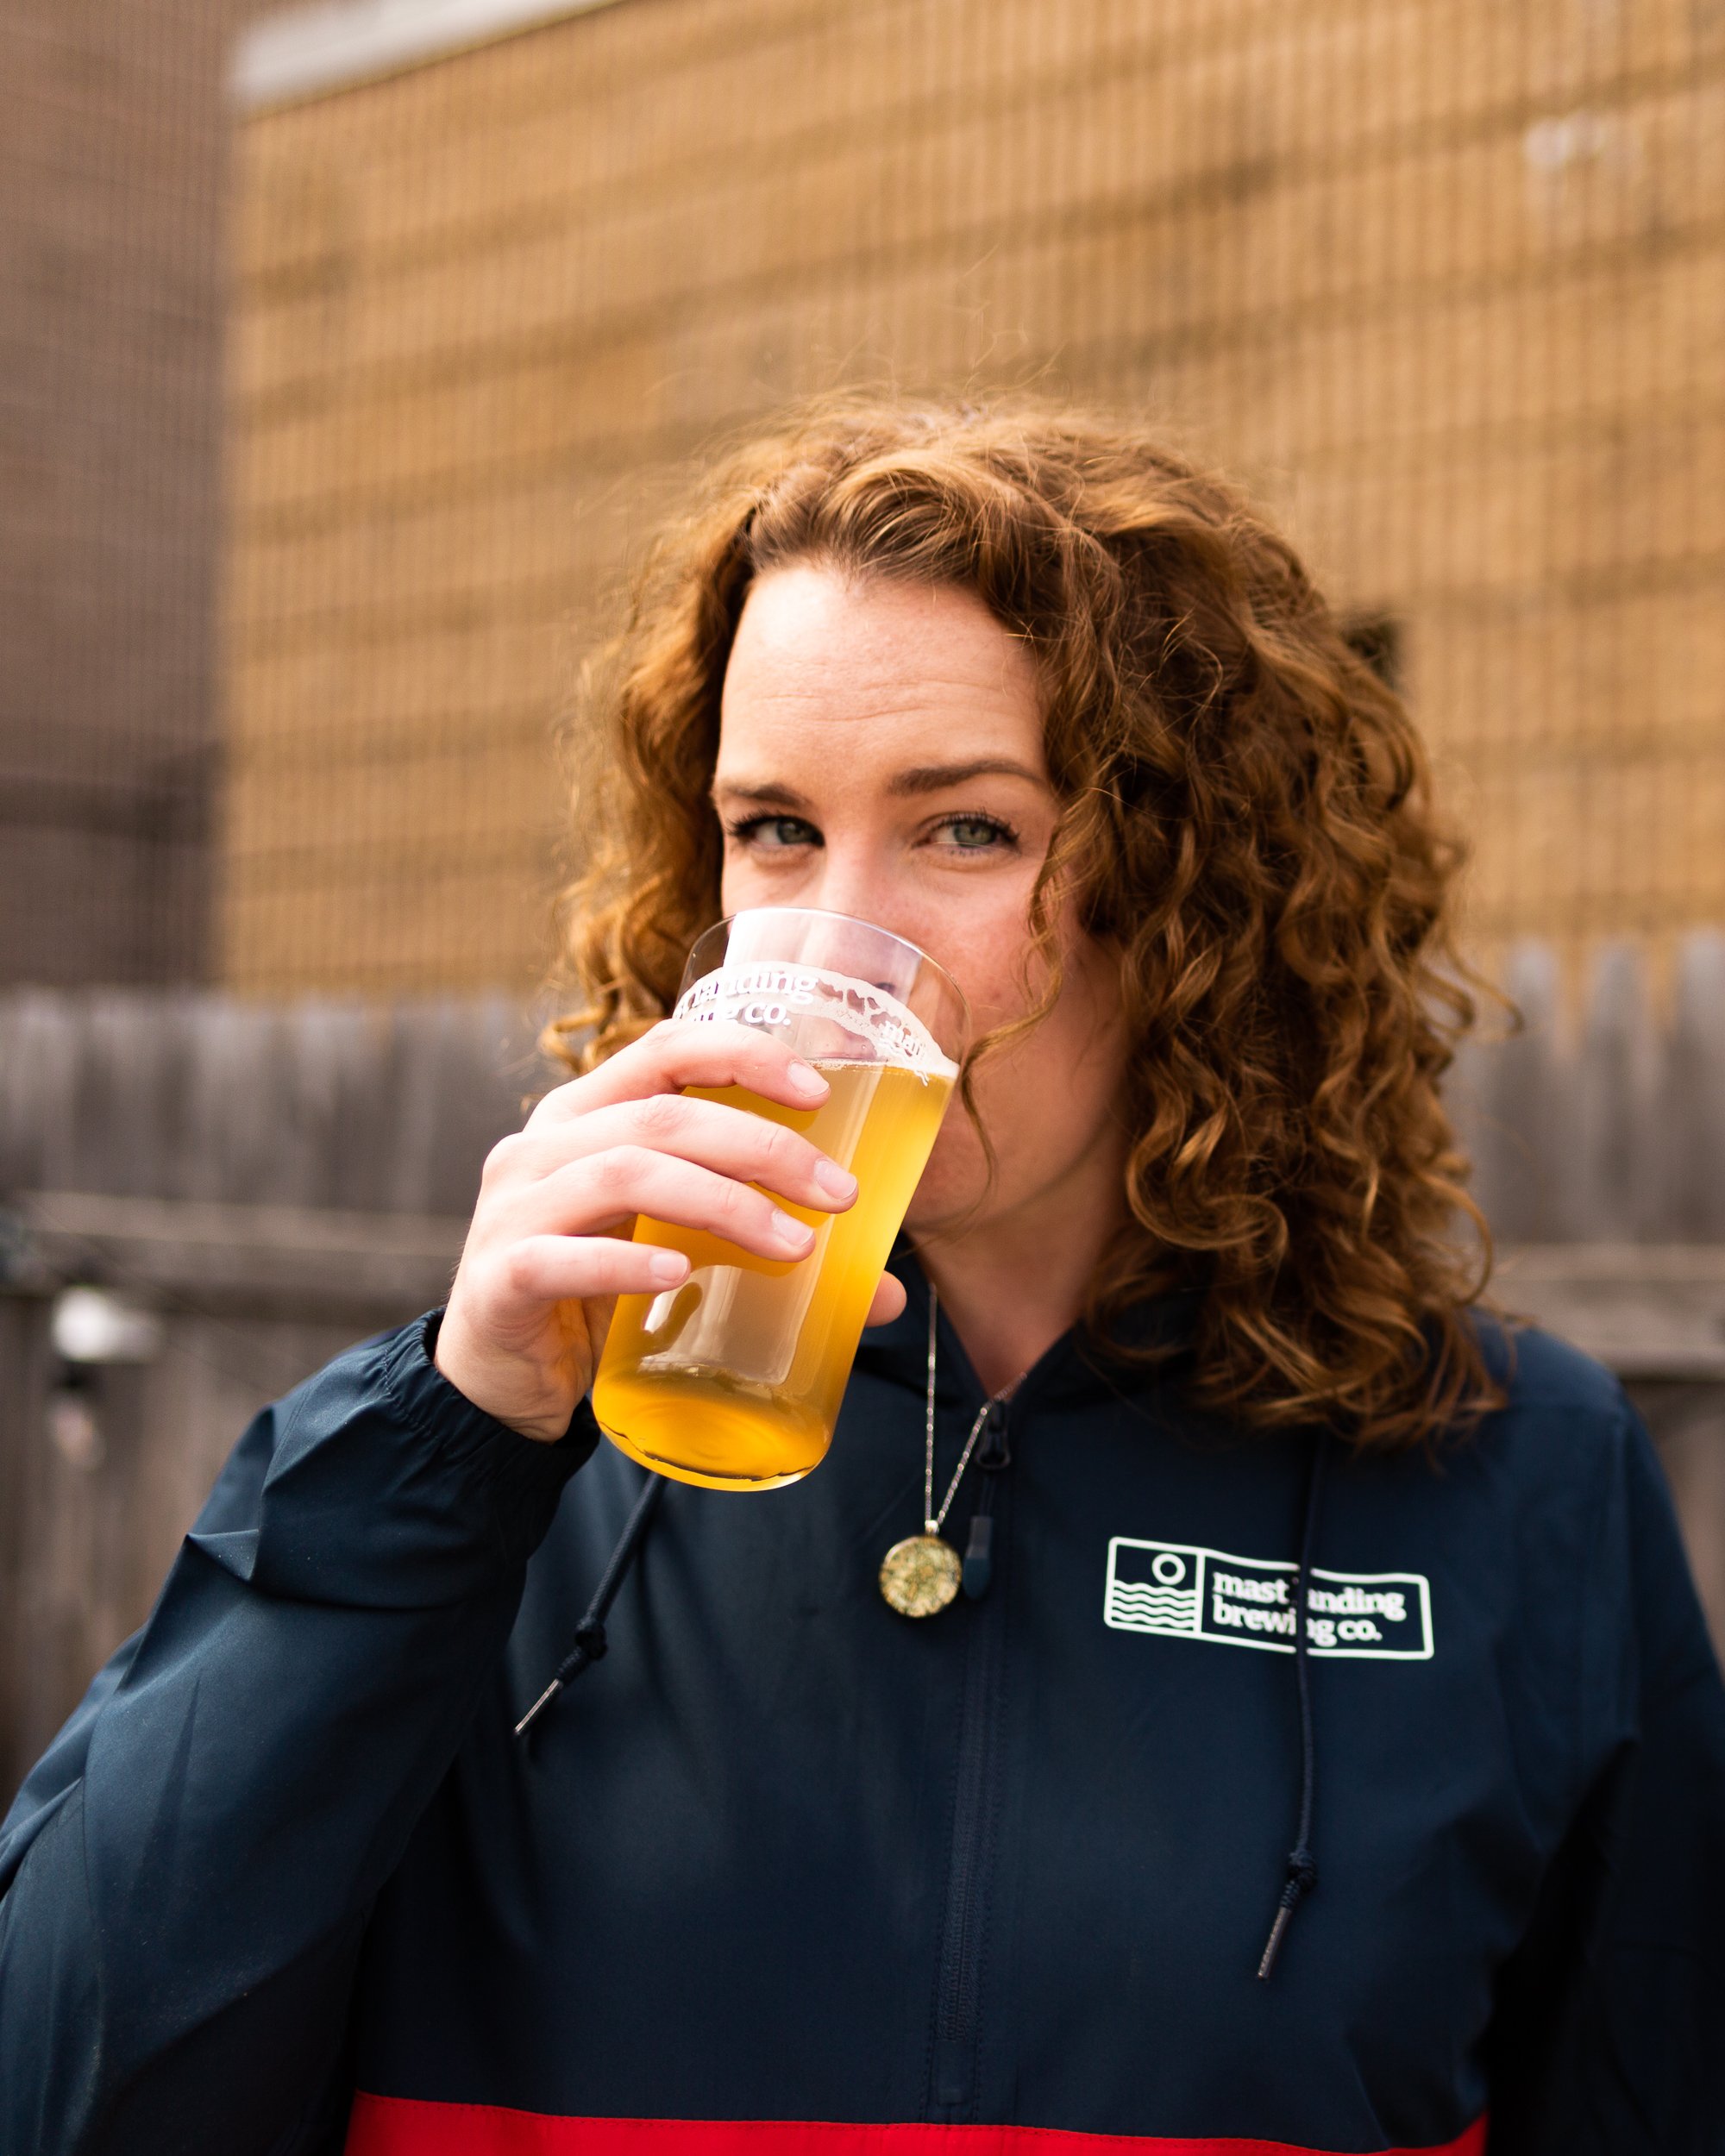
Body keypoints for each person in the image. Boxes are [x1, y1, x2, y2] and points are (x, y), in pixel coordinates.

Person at [3, 399, 1723, 2156]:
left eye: (963, 829)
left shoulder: (1521, 1474)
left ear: (1195, 889)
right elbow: (68, 2082)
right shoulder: (478, 1449)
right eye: (773, 831)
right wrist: (450, 1443)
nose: (842, 948)